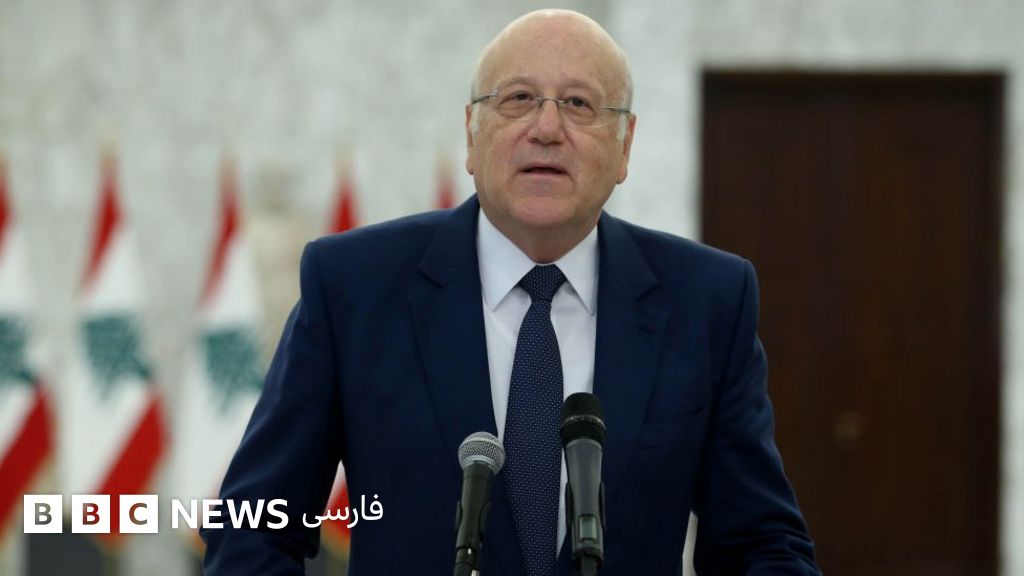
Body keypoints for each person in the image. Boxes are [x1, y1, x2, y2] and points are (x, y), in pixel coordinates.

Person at [202, 9, 820, 575]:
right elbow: (253, 526)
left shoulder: (706, 302)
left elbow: (761, 546)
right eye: (518, 99)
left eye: (579, 103)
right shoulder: (354, 286)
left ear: (624, 145)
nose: (546, 128)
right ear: (472, 134)